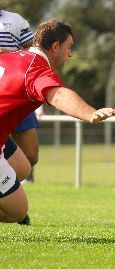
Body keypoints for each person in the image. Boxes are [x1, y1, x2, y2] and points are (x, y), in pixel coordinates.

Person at [0, 18, 115, 224]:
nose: (70, 54)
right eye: (69, 47)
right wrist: (90, 113)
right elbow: (59, 96)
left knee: (23, 167)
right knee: (17, 212)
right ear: (55, 46)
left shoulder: (11, 56)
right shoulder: (36, 70)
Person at [0, 9, 39, 183]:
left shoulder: (15, 20)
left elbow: (32, 54)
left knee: (31, 155)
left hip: (16, 91)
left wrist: (8, 55)